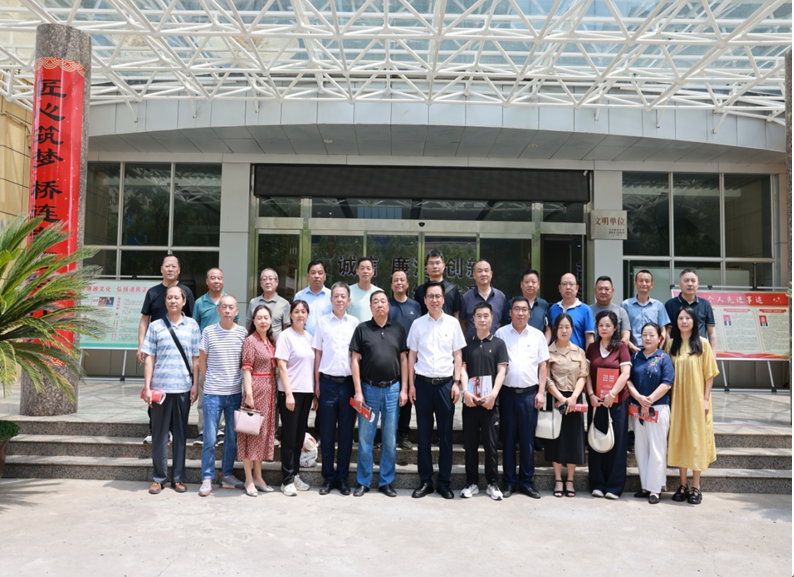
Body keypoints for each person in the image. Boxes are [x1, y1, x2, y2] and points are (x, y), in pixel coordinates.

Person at [407, 281, 466, 499]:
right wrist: (411, 385)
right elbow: (412, 356)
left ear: (443, 299)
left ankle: (444, 482)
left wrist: (456, 383)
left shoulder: (453, 323)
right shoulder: (417, 324)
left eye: (438, 296)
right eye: (430, 296)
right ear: (424, 300)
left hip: (445, 385)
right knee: (423, 436)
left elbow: (458, 355)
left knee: (446, 436)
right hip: (422, 385)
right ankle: (425, 481)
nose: (434, 300)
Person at [141, 285, 200, 495]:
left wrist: (195, 384)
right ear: (165, 301)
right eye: (169, 298)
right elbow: (149, 357)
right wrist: (147, 386)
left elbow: (196, 358)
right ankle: (158, 478)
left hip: (183, 388)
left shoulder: (192, 325)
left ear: (184, 301)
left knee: (181, 435)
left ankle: (178, 478)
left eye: (177, 298)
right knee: (159, 435)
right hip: (160, 390)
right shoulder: (155, 326)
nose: (173, 301)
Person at [350, 290, 408, 498]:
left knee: (390, 439)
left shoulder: (398, 329)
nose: (380, 305)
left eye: (383, 301)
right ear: (371, 307)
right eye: (376, 302)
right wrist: (358, 391)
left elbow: (404, 359)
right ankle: (363, 481)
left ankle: (386, 481)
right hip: (368, 391)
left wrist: (404, 389)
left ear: (388, 306)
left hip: (392, 390)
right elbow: (354, 360)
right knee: (365, 438)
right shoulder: (362, 329)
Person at [495, 296, 549, 499]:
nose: (520, 313)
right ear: (510, 312)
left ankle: (527, 482)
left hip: (529, 395)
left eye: (524, 309)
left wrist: (541, 391)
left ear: (529, 313)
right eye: (516, 309)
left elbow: (543, 365)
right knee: (508, 439)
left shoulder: (537, 336)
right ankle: (509, 482)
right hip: (507, 394)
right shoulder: (501, 333)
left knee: (527, 441)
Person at [138, 255, 195, 444]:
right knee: (154, 387)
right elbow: (144, 320)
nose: (170, 269)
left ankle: (172, 430)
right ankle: (154, 429)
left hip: (178, 353)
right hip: (157, 349)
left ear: (179, 270)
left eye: (174, 266)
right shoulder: (153, 292)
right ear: (161, 269)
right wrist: (141, 346)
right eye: (167, 266)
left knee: (177, 393)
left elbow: (191, 320)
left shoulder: (186, 292)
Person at [665, 307, 719, 505]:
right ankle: (682, 485)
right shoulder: (671, 345)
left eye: (688, 318)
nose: (684, 321)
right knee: (680, 439)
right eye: (681, 318)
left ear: (694, 321)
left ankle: (696, 486)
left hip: (697, 401)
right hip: (677, 401)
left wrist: (705, 399)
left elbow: (710, 374)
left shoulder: (702, 344)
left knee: (696, 440)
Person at [197, 295, 248, 496]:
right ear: (218, 310)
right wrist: (209, 379)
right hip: (213, 394)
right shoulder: (209, 332)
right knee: (210, 438)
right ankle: (207, 478)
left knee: (232, 438)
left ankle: (226, 473)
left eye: (231, 307)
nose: (227, 310)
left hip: (235, 394)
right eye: (224, 307)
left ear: (236, 311)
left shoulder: (242, 333)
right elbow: (202, 360)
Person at [313, 282, 360, 496]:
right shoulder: (322, 322)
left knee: (346, 434)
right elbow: (318, 354)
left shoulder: (355, 323)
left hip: (348, 384)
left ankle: (342, 478)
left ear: (349, 300)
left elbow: (357, 357)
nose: (340, 299)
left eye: (343, 296)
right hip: (328, 384)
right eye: (336, 296)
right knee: (327, 433)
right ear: (331, 300)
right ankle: (328, 477)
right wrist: (316, 384)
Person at [459, 302, 508, 500]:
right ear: (473, 318)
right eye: (478, 316)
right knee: (470, 445)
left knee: (490, 445)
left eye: (486, 316)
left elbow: (502, 371)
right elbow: (462, 369)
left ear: (492, 319)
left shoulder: (498, 344)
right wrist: (465, 392)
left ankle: (492, 483)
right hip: (471, 403)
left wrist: (493, 395)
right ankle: (471, 483)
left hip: (490, 403)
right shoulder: (466, 344)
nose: (482, 319)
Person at [585, 310, 631, 500]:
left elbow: (625, 373)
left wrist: (612, 394)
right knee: (596, 440)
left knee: (617, 443)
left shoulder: (621, 347)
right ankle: (597, 484)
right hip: (596, 402)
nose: (604, 328)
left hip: (617, 402)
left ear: (615, 328)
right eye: (601, 325)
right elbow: (587, 374)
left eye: (608, 325)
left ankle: (614, 486)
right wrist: (590, 394)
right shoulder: (592, 348)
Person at [627, 322, 675, 504]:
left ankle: (655, 489)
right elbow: (628, 380)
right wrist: (639, 398)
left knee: (656, 448)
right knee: (641, 448)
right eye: (644, 335)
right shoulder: (635, 356)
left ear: (659, 338)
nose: (647, 338)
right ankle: (645, 486)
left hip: (658, 408)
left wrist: (649, 400)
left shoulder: (664, 358)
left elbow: (667, 383)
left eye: (651, 335)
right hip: (638, 408)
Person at [192, 267, 238, 446]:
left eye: (219, 278)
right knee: (205, 394)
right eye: (213, 278)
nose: (216, 281)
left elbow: (235, 326)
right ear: (207, 281)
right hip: (206, 355)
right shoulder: (199, 303)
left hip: (226, 356)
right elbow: (196, 327)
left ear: (223, 281)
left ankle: (221, 430)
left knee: (226, 395)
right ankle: (203, 430)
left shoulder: (229, 301)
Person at [544, 313, 588, 498]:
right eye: (560, 327)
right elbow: (546, 378)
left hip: (574, 399)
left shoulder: (579, 352)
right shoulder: (548, 351)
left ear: (572, 329)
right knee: (556, 439)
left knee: (573, 440)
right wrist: (561, 397)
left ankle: (570, 479)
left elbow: (583, 376)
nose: (564, 330)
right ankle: (558, 479)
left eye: (567, 327)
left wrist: (574, 397)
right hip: (556, 398)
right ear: (555, 329)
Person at [275, 300, 316, 496]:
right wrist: (289, 394)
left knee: (299, 437)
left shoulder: (309, 337)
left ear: (308, 315)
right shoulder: (286, 336)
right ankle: (287, 480)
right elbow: (281, 366)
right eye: (297, 311)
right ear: (290, 315)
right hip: (290, 393)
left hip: (306, 392)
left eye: (303, 311)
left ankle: (295, 474)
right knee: (289, 437)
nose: (300, 315)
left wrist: (314, 394)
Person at [237, 304, 278, 497]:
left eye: (266, 317)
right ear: (253, 321)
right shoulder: (250, 341)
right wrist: (249, 394)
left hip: (269, 393)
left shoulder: (270, 341)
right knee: (249, 435)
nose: (263, 321)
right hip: (255, 391)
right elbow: (246, 369)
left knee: (261, 436)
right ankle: (249, 479)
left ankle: (259, 476)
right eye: (259, 317)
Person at [388, 270, 421, 450]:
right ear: (391, 284)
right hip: (390, 357)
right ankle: (388, 434)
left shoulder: (415, 306)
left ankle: (404, 434)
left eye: (402, 280)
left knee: (406, 395)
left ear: (407, 284)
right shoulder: (387, 304)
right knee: (390, 397)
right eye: (396, 280)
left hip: (410, 358)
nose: (399, 283)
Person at [664, 269, 717, 358]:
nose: (690, 284)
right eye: (686, 281)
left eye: (693, 281)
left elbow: (711, 332)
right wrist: (668, 354)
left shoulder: (705, 304)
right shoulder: (670, 304)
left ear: (698, 284)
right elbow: (667, 332)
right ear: (680, 284)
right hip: (678, 353)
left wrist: (713, 355)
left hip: (700, 352)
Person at [621, 270, 671, 354]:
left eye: (647, 281)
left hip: (654, 351)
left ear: (652, 284)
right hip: (631, 351)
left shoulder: (658, 306)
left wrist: (659, 348)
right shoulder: (626, 305)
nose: (644, 284)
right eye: (641, 281)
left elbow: (663, 330)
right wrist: (631, 347)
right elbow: (622, 330)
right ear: (635, 283)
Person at [460, 259, 506, 339]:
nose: (483, 274)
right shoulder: (466, 297)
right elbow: (463, 322)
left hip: (495, 343)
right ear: (474, 275)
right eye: (480, 271)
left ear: (491, 274)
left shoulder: (500, 297)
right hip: (472, 344)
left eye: (486, 271)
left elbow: (503, 322)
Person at [504, 268, 552, 344]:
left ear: (538, 285)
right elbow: (506, 328)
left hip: (538, 347)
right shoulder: (512, 303)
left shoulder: (544, 304)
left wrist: (544, 346)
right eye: (527, 282)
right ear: (521, 284)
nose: (530, 285)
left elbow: (548, 329)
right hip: (515, 346)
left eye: (533, 282)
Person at [549, 273, 595, 350]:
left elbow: (589, 338)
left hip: (577, 355)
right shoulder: (553, 308)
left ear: (577, 288)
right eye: (564, 284)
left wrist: (588, 356)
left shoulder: (585, 310)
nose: (568, 287)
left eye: (571, 284)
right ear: (560, 288)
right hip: (555, 355)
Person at [413, 249, 462, 318]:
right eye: (431, 263)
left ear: (443, 266)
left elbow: (456, 313)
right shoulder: (420, 290)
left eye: (437, 263)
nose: (435, 266)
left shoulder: (452, 290)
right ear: (426, 266)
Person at [246, 268, 291, 340]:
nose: (267, 282)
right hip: (257, 343)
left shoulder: (284, 304)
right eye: (264, 279)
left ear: (277, 282)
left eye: (270, 279)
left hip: (276, 344)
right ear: (261, 283)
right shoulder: (253, 302)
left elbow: (286, 329)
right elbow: (250, 325)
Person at [294, 260, 333, 336]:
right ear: (308, 276)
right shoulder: (299, 296)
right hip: (302, 339)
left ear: (325, 276)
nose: (316, 276)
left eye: (320, 273)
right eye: (313, 273)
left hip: (325, 340)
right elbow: (294, 319)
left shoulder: (332, 296)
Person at [590, 276, 631, 346]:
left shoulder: (621, 312)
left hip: (615, 349)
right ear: (595, 290)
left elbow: (626, 335)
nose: (603, 292)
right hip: (593, 351)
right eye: (600, 289)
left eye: (607, 289)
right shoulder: (587, 311)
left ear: (612, 291)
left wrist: (619, 347)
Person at [346, 257, 381, 322]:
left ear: (373, 272)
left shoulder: (379, 293)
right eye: (362, 268)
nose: (365, 271)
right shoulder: (348, 291)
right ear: (357, 271)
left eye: (368, 268)